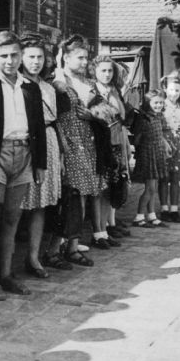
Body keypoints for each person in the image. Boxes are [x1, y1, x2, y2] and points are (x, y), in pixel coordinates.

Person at [0, 30, 47, 299]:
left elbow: (37, 127)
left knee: (13, 216)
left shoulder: (30, 88)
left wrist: (39, 163)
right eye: (3, 56)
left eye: (15, 55)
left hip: (24, 155)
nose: (10, 61)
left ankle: (6, 274)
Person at [51, 35, 104, 267]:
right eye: (80, 57)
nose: (85, 62)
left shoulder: (89, 83)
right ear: (65, 57)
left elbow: (107, 109)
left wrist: (93, 115)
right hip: (67, 142)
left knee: (80, 197)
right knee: (70, 197)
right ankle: (54, 248)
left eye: (86, 57)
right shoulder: (56, 81)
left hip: (86, 142)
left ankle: (72, 247)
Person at [19, 34, 62, 279]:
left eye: (40, 57)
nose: (35, 62)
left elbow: (53, 122)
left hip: (48, 141)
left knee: (40, 204)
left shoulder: (48, 87)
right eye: (31, 57)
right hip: (25, 143)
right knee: (18, 203)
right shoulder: (18, 84)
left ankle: (33, 256)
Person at [90, 55, 131, 244]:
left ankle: (105, 229)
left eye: (109, 70)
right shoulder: (92, 90)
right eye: (103, 70)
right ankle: (97, 232)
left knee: (110, 189)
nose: (107, 74)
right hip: (100, 144)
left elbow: (120, 119)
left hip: (116, 142)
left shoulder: (113, 90)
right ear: (95, 72)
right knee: (100, 188)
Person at [132, 90, 172, 228]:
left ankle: (152, 215)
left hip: (157, 153)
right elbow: (137, 139)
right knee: (149, 188)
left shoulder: (158, 116)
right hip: (148, 154)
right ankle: (139, 217)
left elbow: (159, 134)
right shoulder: (143, 118)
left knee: (153, 187)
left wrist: (164, 145)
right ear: (148, 102)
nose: (159, 105)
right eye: (155, 102)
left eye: (161, 102)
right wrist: (143, 151)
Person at [159, 75, 180, 222]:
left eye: (177, 90)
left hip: (179, 145)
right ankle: (164, 208)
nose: (174, 93)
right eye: (171, 89)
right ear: (165, 89)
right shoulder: (160, 104)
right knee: (164, 178)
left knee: (176, 178)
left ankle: (174, 209)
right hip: (164, 145)